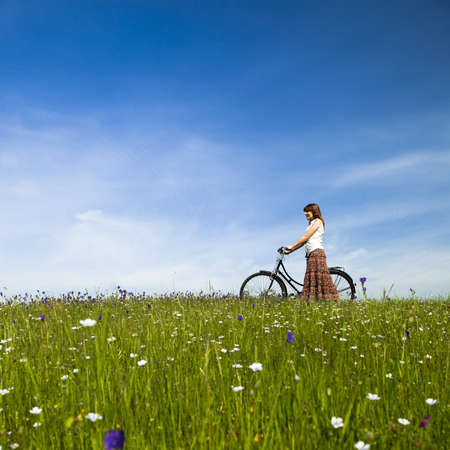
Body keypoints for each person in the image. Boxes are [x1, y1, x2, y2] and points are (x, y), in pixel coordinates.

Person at [283, 203, 339, 302]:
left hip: (316, 253)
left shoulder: (318, 222)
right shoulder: (311, 224)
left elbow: (306, 237)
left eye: (308, 211)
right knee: (314, 280)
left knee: (320, 280)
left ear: (314, 211)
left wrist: (291, 245)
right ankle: (318, 303)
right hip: (311, 254)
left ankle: (330, 302)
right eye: (305, 212)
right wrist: (290, 250)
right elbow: (304, 242)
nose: (305, 213)